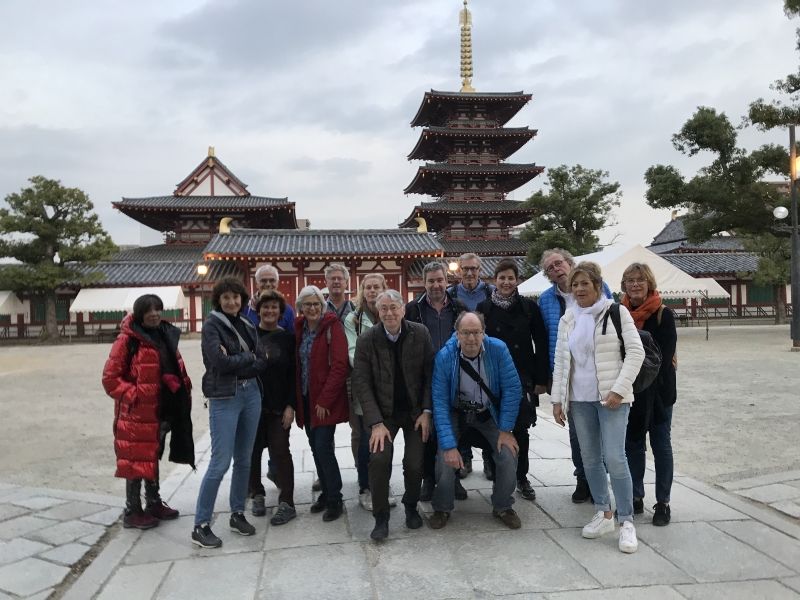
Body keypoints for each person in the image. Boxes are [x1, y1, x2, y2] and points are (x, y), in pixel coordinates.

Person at [550, 262, 644, 554]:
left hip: (611, 398)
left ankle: (626, 519)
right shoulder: (568, 319)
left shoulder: (616, 312)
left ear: (597, 285)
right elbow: (561, 362)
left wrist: (618, 389)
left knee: (615, 458)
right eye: (575, 285)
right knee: (590, 458)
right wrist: (557, 399)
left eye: (584, 284)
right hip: (580, 398)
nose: (579, 289)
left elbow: (636, 352)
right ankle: (603, 512)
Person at [102, 294, 194, 530]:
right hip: (137, 414)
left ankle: (153, 501)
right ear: (139, 313)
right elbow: (110, 379)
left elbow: (174, 365)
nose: (154, 314)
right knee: (135, 461)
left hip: (162, 410)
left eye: (158, 309)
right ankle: (132, 510)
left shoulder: (164, 334)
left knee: (152, 457)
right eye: (149, 310)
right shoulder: (127, 341)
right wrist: (136, 395)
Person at [352, 290, 435, 540]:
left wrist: (426, 411)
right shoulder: (367, 339)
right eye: (384, 308)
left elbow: (430, 376)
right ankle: (381, 517)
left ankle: (411, 506)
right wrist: (375, 422)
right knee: (378, 460)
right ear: (378, 312)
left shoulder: (420, 334)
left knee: (413, 462)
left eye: (393, 307)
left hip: (413, 413)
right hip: (383, 415)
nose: (389, 313)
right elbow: (361, 383)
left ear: (402, 309)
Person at [429, 311, 523, 530]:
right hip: (457, 411)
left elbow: (512, 388)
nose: (471, 339)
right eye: (465, 333)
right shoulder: (445, 356)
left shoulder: (498, 350)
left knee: (508, 455)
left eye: (476, 332)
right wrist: (449, 445)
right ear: (457, 334)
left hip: (487, 411)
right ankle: (442, 507)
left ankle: (503, 505)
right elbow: (440, 402)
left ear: (483, 332)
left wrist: (506, 429)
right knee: (444, 458)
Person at [192, 277, 266, 549]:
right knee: (220, 462)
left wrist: (241, 360)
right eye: (226, 298)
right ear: (218, 300)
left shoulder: (247, 323)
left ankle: (237, 513)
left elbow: (261, 361)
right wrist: (246, 360)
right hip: (226, 397)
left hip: (251, 395)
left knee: (244, 459)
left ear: (243, 299)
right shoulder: (212, 325)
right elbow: (219, 363)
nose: (232, 302)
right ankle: (200, 524)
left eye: (236, 297)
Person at [538, 248, 612, 504]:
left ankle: (601, 481)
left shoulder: (602, 289)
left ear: (569, 263)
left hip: (601, 371)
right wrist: (549, 377)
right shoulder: (546, 299)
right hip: (568, 373)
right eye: (549, 268)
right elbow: (544, 337)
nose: (556, 269)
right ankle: (583, 478)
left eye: (558, 263)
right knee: (577, 433)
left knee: (603, 431)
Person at [477, 258, 549, 501]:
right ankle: (497, 470)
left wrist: (541, 378)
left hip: (522, 374)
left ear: (517, 280)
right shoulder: (484, 308)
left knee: (521, 428)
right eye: (502, 278)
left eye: (511, 278)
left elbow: (541, 343)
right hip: (492, 375)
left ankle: (521, 475)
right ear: (494, 280)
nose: (506, 282)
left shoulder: (529, 308)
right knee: (494, 425)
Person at [405, 261, 468, 501]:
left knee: (457, 427)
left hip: (455, 374)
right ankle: (429, 479)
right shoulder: (413, 309)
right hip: (424, 375)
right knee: (428, 431)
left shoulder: (458, 307)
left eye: (439, 280)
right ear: (424, 282)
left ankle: (454, 477)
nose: (435, 285)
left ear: (446, 281)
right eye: (431, 281)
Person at [620, 263, 677, 526]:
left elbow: (664, 359)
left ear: (649, 283)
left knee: (661, 445)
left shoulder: (663, 315)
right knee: (633, 445)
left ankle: (663, 502)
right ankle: (635, 496)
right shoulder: (618, 314)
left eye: (640, 280)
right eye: (630, 280)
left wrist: (634, 372)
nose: (635, 285)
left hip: (660, 391)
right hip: (632, 392)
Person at [294, 285, 350, 522]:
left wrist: (325, 399)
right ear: (301, 308)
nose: (313, 308)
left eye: (316, 303)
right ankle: (326, 493)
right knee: (315, 446)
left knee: (324, 447)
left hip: (324, 400)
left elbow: (339, 365)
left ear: (322, 305)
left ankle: (335, 498)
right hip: (306, 398)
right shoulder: (299, 328)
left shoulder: (332, 326)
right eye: (308, 304)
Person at [248, 290, 297, 526]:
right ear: (258, 311)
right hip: (252, 405)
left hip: (279, 406)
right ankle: (256, 493)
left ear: (280, 312)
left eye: (274, 308)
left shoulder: (288, 339)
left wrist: (291, 405)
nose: (270, 311)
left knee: (280, 450)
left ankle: (287, 501)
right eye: (265, 307)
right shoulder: (249, 336)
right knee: (253, 451)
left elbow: (293, 375)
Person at [446, 253, 495, 478]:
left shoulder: (490, 293)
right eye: (465, 269)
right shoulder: (451, 294)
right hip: (460, 356)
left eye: (473, 268)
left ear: (480, 269)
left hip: (485, 356)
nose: (469, 273)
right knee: (462, 405)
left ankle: (488, 458)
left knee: (487, 406)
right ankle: (464, 456)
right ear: (459, 271)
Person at [344, 273, 387, 511]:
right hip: (364, 384)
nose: (372, 291)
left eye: (376, 287)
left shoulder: (389, 312)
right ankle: (365, 486)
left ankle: (381, 483)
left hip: (389, 386)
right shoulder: (354, 319)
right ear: (362, 291)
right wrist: (378, 368)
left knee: (384, 436)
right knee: (363, 436)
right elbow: (353, 353)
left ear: (384, 288)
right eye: (368, 287)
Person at [243, 265, 295, 330]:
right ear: (256, 284)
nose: (268, 284)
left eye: (272, 280)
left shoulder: (287, 310)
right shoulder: (245, 308)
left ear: (277, 283)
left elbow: (291, 337)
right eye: (263, 281)